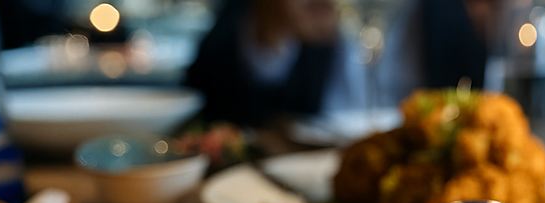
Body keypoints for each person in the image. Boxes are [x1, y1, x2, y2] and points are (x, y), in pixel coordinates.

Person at [185, 0, 491, 127]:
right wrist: (272, 34)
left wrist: (498, 36)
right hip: (301, 170)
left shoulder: (457, 13)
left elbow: (483, 95)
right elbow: (206, 90)